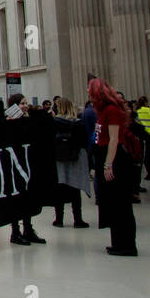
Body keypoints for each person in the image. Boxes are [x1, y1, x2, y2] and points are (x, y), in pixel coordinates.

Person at [90, 74, 141, 256]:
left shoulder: (111, 110)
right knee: (114, 203)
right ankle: (119, 242)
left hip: (114, 158)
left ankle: (126, 244)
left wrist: (108, 165)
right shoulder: (106, 110)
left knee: (120, 203)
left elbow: (114, 139)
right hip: (109, 156)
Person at [3, 95, 46, 245]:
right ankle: (15, 231)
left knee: (28, 196)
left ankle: (28, 229)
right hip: (14, 165)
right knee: (16, 198)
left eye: (26, 103)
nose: (25, 106)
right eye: (22, 103)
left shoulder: (28, 120)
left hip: (27, 163)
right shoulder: (8, 122)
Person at [51, 97, 91, 228]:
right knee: (75, 189)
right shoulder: (78, 123)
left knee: (59, 187)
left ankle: (59, 219)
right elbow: (84, 142)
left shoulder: (54, 122)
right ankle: (78, 219)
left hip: (59, 159)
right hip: (75, 158)